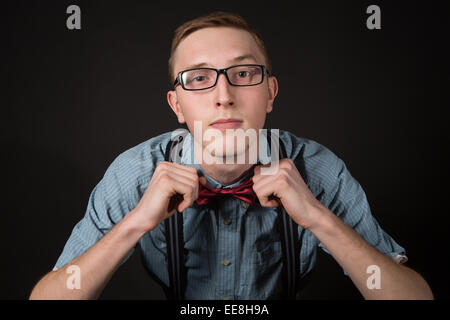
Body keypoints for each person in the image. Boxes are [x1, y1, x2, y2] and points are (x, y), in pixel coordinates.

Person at [29, 11, 433, 300]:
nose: (224, 96)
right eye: (200, 78)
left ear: (270, 93)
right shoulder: (134, 173)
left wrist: (317, 217)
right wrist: (135, 223)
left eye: (243, 74)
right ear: (176, 105)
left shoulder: (320, 170)